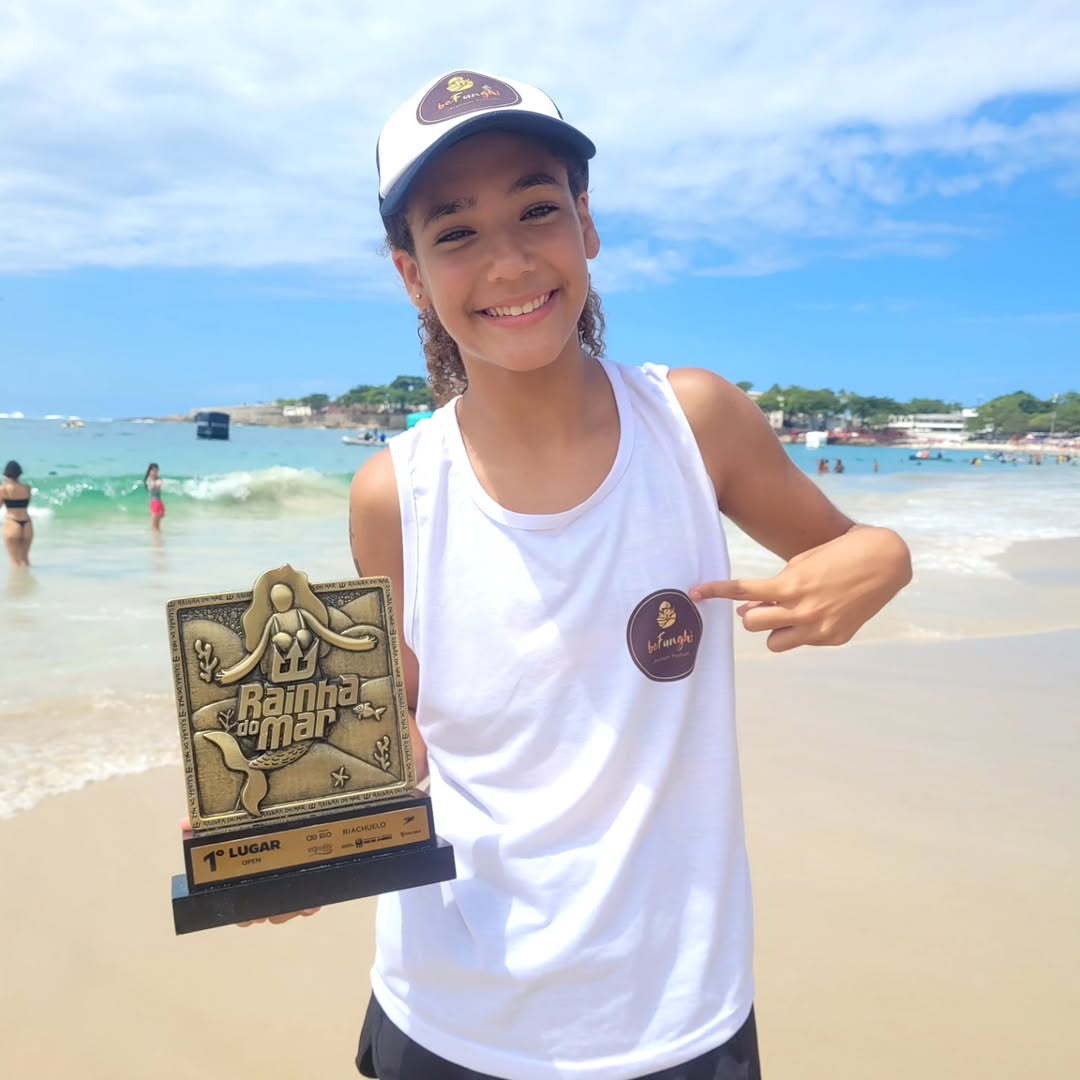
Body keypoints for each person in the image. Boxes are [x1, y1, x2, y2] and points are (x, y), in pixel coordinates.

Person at [270, 69, 910, 1080]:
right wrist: (290, 822)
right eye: (456, 232)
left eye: (537, 210)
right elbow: (399, 724)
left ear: (587, 223)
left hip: (677, 1006)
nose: (510, 261)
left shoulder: (693, 423)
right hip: (451, 1014)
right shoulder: (395, 493)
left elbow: (844, 546)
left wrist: (886, 558)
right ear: (411, 275)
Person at [1, 460, 33, 567]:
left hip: (12, 523)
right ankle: (27, 577)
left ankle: (18, 578)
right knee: (25, 560)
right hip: (27, 523)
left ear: (6, 474)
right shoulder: (27, 488)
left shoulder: (3, 489)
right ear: (19, 473)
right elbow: (26, 504)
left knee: (14, 561)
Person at [144, 462, 165, 530]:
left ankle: (158, 535)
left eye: (157, 470)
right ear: (150, 471)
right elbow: (152, 488)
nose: (155, 472)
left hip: (159, 501)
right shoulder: (149, 479)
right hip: (154, 502)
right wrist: (156, 484)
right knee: (155, 524)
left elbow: (159, 486)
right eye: (153, 470)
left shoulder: (158, 479)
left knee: (158, 522)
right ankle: (155, 535)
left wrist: (157, 483)